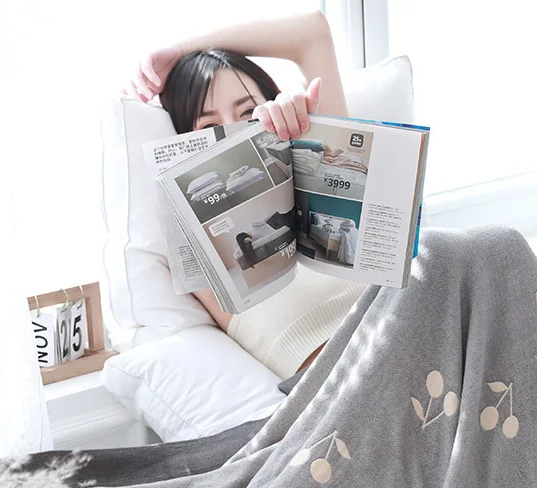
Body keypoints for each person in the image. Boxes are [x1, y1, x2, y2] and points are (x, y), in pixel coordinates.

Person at [124, 11, 366, 378]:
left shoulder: (320, 151)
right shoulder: (186, 227)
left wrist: (183, 49)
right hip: (337, 373)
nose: (233, 131)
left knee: (452, 251)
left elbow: (312, 32)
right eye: (209, 126)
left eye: (249, 112)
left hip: (402, 315)